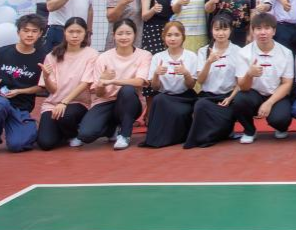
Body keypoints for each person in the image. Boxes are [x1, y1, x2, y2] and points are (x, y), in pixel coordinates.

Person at [0, 14, 47, 156]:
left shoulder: (43, 58)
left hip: (21, 106)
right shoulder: (1, 52)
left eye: (34, 31)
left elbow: (42, 87)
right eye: (25, 30)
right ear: (18, 32)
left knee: (19, 144)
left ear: (40, 33)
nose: (30, 35)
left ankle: (21, 125)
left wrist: (20, 91)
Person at [76, 18, 153, 150]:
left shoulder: (144, 55)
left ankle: (125, 135)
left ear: (135, 34)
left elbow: (139, 81)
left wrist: (112, 81)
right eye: (120, 33)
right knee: (86, 135)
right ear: (114, 35)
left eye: (128, 33)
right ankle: (111, 128)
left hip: (130, 102)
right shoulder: (103, 57)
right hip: (105, 101)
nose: (124, 37)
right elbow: (99, 93)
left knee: (127, 89)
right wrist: (102, 83)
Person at [232, 13, 296, 142]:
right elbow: (243, 87)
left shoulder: (286, 53)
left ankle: (281, 127)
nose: (263, 32)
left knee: (281, 119)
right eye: (258, 28)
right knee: (239, 100)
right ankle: (249, 131)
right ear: (253, 31)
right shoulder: (243, 53)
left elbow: (287, 84)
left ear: (274, 31)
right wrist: (249, 74)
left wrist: (269, 103)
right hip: (253, 94)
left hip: (276, 94)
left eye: (267, 28)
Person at [182, 14, 243, 149]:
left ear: (231, 30)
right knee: (200, 105)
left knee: (234, 108)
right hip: (208, 97)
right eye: (217, 29)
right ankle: (209, 137)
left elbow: (240, 82)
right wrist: (208, 62)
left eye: (224, 29)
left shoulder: (238, 51)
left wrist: (230, 98)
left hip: (228, 97)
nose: (221, 33)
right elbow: (201, 81)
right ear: (211, 30)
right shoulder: (203, 51)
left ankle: (224, 130)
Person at [37, 17, 97, 151]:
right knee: (45, 143)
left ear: (85, 33)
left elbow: (86, 83)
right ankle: (62, 132)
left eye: (79, 32)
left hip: (78, 103)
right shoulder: (52, 55)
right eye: (71, 32)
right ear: (64, 32)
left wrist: (64, 103)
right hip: (53, 105)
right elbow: (52, 90)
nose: (75, 35)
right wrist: (46, 77)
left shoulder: (91, 54)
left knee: (66, 115)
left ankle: (73, 133)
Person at [141, 20, 199, 148]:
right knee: (159, 100)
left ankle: (179, 136)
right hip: (165, 96)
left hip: (185, 97)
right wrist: (156, 74)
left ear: (183, 37)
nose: (173, 39)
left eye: (177, 35)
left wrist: (186, 73)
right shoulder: (157, 57)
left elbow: (191, 85)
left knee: (180, 112)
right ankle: (159, 138)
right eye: (169, 35)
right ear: (164, 37)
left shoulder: (191, 56)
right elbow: (155, 87)